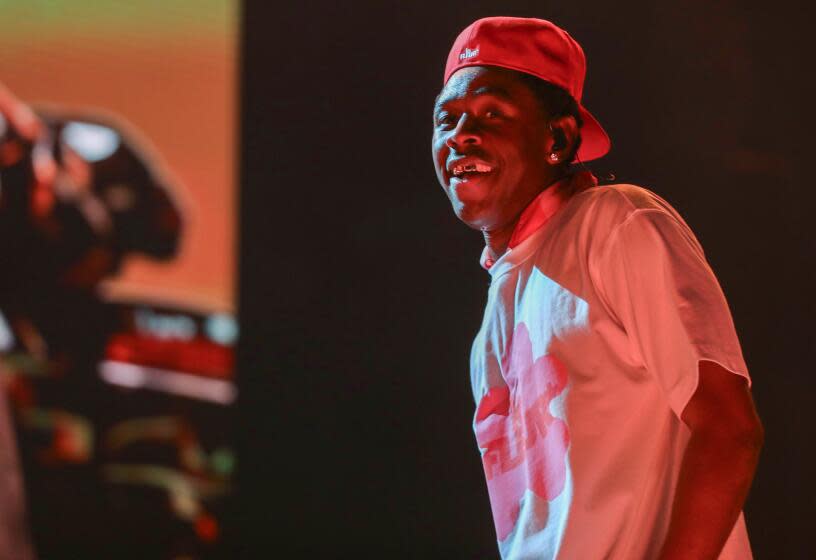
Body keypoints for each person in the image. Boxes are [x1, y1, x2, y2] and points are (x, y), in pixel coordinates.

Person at [431, 17, 763, 559]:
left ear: (558, 138)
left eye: (493, 112)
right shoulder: (495, 317)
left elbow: (728, 429)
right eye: (447, 119)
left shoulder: (615, 223)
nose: (461, 134)